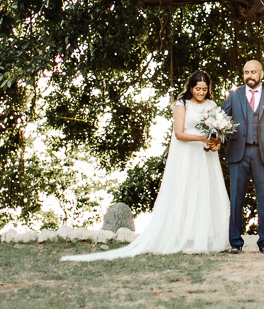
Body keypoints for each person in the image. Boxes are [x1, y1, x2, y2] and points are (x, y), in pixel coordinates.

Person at [61, 71, 229, 260]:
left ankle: (204, 238)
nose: (201, 92)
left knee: (204, 193)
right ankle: (186, 239)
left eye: (205, 89)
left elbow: (216, 132)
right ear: (190, 87)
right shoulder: (182, 104)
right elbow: (179, 133)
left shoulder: (212, 105)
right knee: (187, 193)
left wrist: (216, 142)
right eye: (198, 89)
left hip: (205, 157)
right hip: (187, 156)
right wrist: (202, 138)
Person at [221, 59, 264, 254]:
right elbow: (221, 119)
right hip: (238, 152)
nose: (250, 75)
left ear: (261, 74)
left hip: (263, 154)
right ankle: (235, 243)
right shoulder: (233, 95)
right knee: (236, 200)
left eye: (253, 72)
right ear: (243, 74)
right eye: (246, 72)